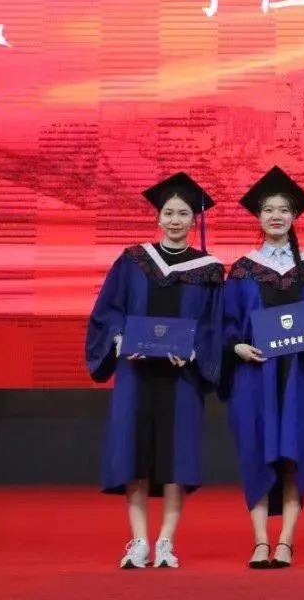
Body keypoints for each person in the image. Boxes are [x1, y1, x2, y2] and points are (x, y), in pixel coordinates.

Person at [86, 172, 224, 569]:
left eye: (183, 213)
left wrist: (195, 352)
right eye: (169, 213)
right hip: (136, 373)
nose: (175, 220)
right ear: (158, 217)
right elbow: (109, 310)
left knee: (176, 455)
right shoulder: (133, 261)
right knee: (134, 452)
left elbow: (214, 324)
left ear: (194, 219)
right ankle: (139, 541)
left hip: (182, 377)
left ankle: (166, 541)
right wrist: (121, 340)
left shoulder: (209, 270)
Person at [220, 167, 304, 569]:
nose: (276, 216)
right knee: (256, 454)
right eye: (268, 209)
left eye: (284, 210)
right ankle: (260, 541)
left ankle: (285, 540)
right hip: (254, 376)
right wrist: (236, 346)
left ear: (294, 216)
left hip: (299, 376)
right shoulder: (242, 269)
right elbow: (226, 322)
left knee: (293, 457)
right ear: (258, 216)